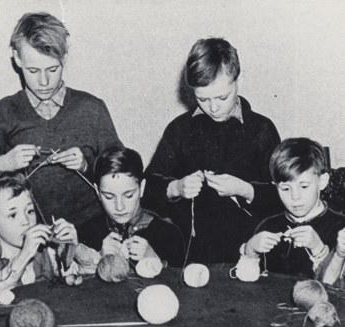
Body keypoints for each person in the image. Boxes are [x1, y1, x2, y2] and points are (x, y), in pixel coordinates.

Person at [0, 12, 122, 227]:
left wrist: (86, 165)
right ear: (17, 59)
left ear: (65, 58)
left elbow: (123, 177)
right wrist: (3, 163)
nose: (44, 81)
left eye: (53, 69)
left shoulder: (91, 108)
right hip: (31, 240)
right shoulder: (2, 113)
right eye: (33, 70)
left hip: (93, 232)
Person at [142, 37, 281, 264]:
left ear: (239, 78)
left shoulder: (262, 130)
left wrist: (246, 190)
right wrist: (175, 187)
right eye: (202, 99)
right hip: (188, 255)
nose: (213, 108)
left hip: (248, 254)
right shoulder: (179, 130)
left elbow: (284, 199)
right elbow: (147, 193)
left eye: (222, 97)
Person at [235, 138, 345, 279]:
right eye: (286, 189)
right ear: (275, 187)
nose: (295, 197)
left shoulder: (340, 228)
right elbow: (246, 283)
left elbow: (337, 291)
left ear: (322, 182)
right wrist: (250, 251)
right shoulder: (268, 226)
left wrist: (319, 250)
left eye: (304, 186)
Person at [0, 172, 78, 299]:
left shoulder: (47, 250)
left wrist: (70, 250)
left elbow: (75, 282)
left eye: (30, 211)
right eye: (13, 215)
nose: (26, 221)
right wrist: (24, 255)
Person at [78, 146, 185, 267]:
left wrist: (156, 262)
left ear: (142, 188)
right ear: (98, 192)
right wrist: (97, 260)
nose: (119, 207)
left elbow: (181, 282)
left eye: (128, 195)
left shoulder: (168, 234)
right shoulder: (87, 233)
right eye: (109, 196)